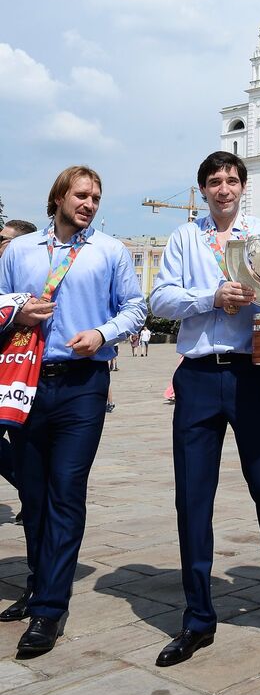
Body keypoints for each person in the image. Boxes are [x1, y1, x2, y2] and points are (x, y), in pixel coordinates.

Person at [150, 151, 260, 668]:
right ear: (203, 188)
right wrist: (213, 297)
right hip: (197, 375)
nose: (224, 188)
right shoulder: (183, 238)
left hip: (251, 371)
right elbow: (161, 300)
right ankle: (197, 616)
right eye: (215, 181)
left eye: (232, 180)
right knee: (192, 498)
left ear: (244, 186)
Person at [0, 166, 145, 656]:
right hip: (27, 380)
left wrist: (103, 334)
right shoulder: (19, 251)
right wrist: (17, 313)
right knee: (34, 493)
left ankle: (49, 610)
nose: (89, 203)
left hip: (83, 384)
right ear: (58, 196)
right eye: (81, 195)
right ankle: (38, 585)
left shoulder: (110, 251)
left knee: (65, 490)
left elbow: (135, 307)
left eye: (96, 197)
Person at [0, 220, 37, 516]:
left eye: (3, 239)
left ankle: (32, 491)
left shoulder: (28, 279)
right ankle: (31, 491)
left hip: (19, 374)